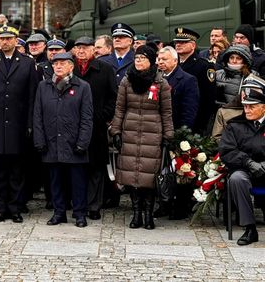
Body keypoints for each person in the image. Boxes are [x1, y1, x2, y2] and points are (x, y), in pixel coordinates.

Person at [0, 25, 38, 222]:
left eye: (8, 38)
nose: (4, 42)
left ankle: (15, 208)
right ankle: (1, 208)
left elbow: (32, 97)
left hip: (18, 125)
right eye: (1, 39)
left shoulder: (28, 63)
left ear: (15, 40)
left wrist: (30, 123)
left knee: (17, 171)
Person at [110, 45, 174, 230]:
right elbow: (120, 108)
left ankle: (148, 214)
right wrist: (116, 131)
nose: (138, 61)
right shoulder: (126, 81)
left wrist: (168, 135)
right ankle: (136, 214)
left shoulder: (160, 83)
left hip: (152, 132)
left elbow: (166, 111)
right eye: (136, 58)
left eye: (142, 58)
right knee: (132, 176)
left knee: (149, 176)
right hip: (130, 131)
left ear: (151, 61)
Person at [33, 51, 93, 228]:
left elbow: (87, 118)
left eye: (62, 63)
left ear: (71, 66)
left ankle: (80, 213)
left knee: (78, 181)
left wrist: (83, 142)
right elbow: (37, 115)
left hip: (74, 143)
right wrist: (39, 140)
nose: (57, 66)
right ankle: (59, 212)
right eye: (55, 63)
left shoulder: (83, 87)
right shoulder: (43, 86)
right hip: (51, 142)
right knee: (55, 181)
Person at [73, 36, 117, 220]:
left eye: (85, 48)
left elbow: (113, 98)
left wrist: (101, 117)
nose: (81, 51)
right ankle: (78, 204)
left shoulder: (105, 69)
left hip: (96, 127)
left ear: (93, 50)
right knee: (76, 168)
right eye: (78, 48)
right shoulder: (70, 69)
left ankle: (94, 206)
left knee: (96, 168)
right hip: (73, 127)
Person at [219, 75, 265, 246]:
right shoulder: (235, 125)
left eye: (252, 107)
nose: (247, 110)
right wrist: (248, 162)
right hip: (244, 170)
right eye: (245, 106)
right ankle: (250, 228)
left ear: (264, 107)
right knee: (236, 179)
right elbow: (227, 151)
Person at [156, 45, 200, 220]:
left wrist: (182, 134)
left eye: (164, 59)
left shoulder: (187, 80)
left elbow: (190, 109)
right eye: (159, 59)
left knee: (181, 171)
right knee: (162, 171)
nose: (160, 62)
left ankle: (181, 206)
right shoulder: (156, 78)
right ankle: (163, 204)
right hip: (157, 131)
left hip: (178, 133)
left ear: (175, 61)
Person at [173, 27, 217, 135]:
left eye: (183, 42)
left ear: (193, 45)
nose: (178, 44)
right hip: (174, 118)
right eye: (177, 42)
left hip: (194, 122)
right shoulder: (173, 64)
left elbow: (208, 99)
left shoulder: (204, 66)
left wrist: (200, 126)